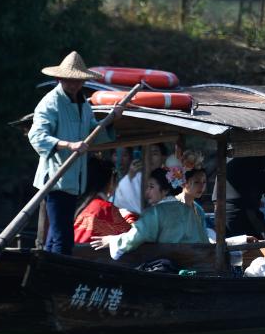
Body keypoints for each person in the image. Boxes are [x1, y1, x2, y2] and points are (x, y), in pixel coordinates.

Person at [28, 51, 117, 256]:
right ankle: (59, 272)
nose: (74, 85)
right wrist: (68, 145)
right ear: (60, 79)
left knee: (56, 234)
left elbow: (92, 134)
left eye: (78, 81)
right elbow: (37, 136)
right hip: (56, 178)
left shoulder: (83, 104)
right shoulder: (50, 102)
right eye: (70, 81)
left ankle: (47, 266)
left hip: (74, 179)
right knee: (63, 237)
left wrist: (111, 121)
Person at [90, 166, 208, 259]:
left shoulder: (156, 212)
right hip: (197, 263)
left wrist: (112, 241)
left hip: (173, 267)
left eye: (151, 187)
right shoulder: (188, 210)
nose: (147, 192)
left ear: (165, 190)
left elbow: (136, 236)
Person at [212, 155, 265, 239]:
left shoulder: (237, 154)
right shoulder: (261, 152)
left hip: (222, 208)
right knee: (262, 242)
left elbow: (253, 179)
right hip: (241, 211)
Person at [73, 158, 133, 243]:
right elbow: (130, 235)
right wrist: (130, 218)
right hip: (92, 251)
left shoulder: (80, 204)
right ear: (111, 181)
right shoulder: (106, 207)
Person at [113, 143, 168, 217]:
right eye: (146, 154)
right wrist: (130, 176)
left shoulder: (169, 177)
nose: (149, 157)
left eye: (154, 154)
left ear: (163, 157)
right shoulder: (133, 178)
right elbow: (119, 201)